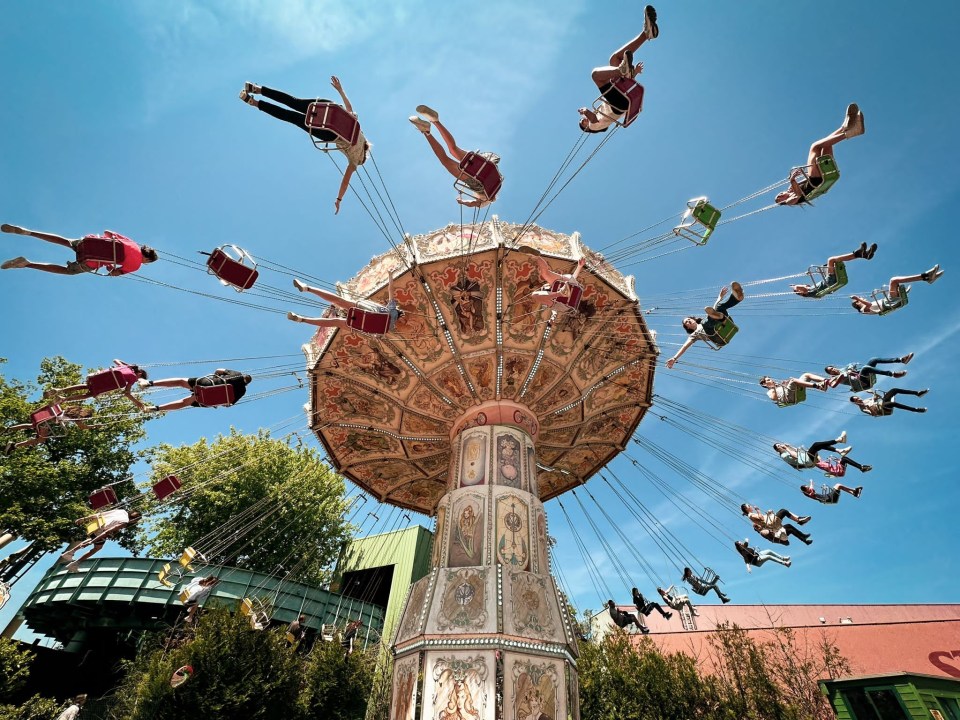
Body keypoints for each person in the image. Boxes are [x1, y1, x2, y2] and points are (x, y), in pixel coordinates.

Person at [239, 77, 370, 214]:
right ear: (362, 160)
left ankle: (256, 89)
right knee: (291, 117)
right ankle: (254, 103)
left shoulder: (360, 132)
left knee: (293, 102)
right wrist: (339, 199)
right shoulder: (354, 162)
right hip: (329, 133)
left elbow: (349, 109)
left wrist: (340, 90)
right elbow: (345, 182)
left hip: (330, 109)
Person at [578, 6, 658, 133]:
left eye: (582, 119)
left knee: (614, 59)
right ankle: (622, 70)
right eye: (583, 122)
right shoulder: (594, 126)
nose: (583, 120)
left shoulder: (601, 109)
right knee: (596, 76)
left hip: (620, 98)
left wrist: (634, 73)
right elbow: (593, 119)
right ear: (586, 128)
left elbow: (625, 87)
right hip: (618, 106)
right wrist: (585, 111)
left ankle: (647, 33)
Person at [409, 106, 500, 207]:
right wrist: (463, 202)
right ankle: (426, 132)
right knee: (444, 160)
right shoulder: (487, 198)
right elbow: (473, 204)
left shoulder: (497, 181)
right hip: (477, 181)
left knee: (453, 149)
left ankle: (435, 121)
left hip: (483, 163)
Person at [775, 103, 865, 206]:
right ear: (782, 201)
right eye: (778, 198)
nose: (779, 195)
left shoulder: (792, 189)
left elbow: (807, 178)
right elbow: (798, 196)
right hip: (817, 180)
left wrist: (797, 181)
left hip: (817, 177)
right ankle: (850, 131)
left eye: (778, 194)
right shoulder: (789, 201)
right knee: (815, 147)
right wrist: (792, 181)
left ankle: (845, 127)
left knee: (826, 145)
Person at [1, 223, 157, 275]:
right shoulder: (136, 265)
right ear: (147, 258)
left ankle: (29, 232)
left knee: (66, 241)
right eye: (148, 262)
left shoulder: (132, 243)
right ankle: (26, 264)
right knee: (68, 271)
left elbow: (108, 232)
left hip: (90, 242)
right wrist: (111, 266)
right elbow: (114, 273)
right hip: (90, 262)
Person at [666, 282, 745, 368]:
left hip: (723, 324)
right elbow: (684, 346)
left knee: (718, 306)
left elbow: (714, 308)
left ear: (693, 319)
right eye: (686, 323)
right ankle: (720, 317)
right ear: (687, 327)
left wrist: (720, 297)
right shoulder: (694, 335)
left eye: (689, 320)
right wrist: (674, 358)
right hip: (718, 337)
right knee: (705, 322)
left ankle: (737, 298)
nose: (688, 322)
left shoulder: (705, 319)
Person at [288, 272, 400, 332]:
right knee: (335, 321)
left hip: (367, 311)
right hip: (361, 327)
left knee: (339, 301)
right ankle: (301, 319)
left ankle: (307, 288)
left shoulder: (392, 311)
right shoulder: (389, 327)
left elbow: (391, 290)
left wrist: (390, 276)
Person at [58, 508, 143, 571]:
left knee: (94, 541)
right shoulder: (124, 522)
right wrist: (92, 542)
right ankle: (75, 563)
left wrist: (84, 519)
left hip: (96, 525)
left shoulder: (121, 511)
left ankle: (70, 553)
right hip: (101, 531)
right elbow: (107, 532)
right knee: (97, 548)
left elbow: (100, 514)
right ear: (134, 520)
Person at [45, 359, 150, 409]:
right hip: (102, 386)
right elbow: (127, 393)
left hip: (96, 377)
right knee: (88, 395)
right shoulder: (131, 379)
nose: (137, 381)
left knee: (85, 386)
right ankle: (63, 399)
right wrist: (137, 403)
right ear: (139, 373)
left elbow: (115, 360)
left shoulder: (125, 367)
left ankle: (59, 390)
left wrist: (129, 365)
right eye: (139, 378)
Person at [139, 368, 252, 412]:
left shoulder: (237, 374)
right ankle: (155, 408)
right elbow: (228, 404)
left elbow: (219, 369)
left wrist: (216, 375)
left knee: (181, 381)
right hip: (208, 399)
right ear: (246, 384)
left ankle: (148, 383)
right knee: (184, 403)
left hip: (208, 384)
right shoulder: (242, 391)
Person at [790, 242, 877, 297]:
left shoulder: (813, 289)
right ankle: (859, 254)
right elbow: (803, 290)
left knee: (832, 262)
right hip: (830, 282)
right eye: (803, 286)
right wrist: (795, 287)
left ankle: (863, 255)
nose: (805, 285)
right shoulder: (810, 292)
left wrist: (814, 271)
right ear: (801, 292)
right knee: (831, 260)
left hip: (830, 281)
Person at [850, 265, 944, 315]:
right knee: (894, 280)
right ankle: (926, 277)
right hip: (888, 303)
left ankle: (927, 278)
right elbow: (869, 305)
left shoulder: (867, 308)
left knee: (893, 283)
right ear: (858, 303)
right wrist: (857, 298)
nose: (863, 298)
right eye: (860, 299)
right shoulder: (863, 309)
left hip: (888, 301)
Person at [3, 404, 92, 455]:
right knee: (41, 440)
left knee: (31, 425)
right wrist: (95, 426)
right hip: (45, 423)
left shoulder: (70, 410)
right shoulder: (77, 418)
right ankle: (14, 445)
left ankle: (8, 429)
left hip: (43, 419)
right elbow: (82, 427)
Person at [773, 430, 872, 476]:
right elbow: (795, 455)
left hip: (808, 459)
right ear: (778, 450)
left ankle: (841, 451)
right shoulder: (784, 455)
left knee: (818, 446)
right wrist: (786, 448)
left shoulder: (786, 451)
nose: (780, 446)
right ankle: (839, 441)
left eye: (779, 444)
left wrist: (789, 446)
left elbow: (796, 452)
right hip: (807, 460)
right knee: (816, 445)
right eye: (778, 446)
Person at [825, 352, 914, 391]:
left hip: (863, 375)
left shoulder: (842, 369)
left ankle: (901, 360)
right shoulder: (835, 378)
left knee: (873, 360)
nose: (833, 370)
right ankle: (893, 374)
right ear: (831, 374)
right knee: (865, 368)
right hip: (861, 382)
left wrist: (850, 368)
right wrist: (845, 374)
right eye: (831, 371)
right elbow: (840, 380)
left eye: (832, 368)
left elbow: (851, 364)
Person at [740, 504, 812, 546]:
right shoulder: (751, 515)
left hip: (772, 524)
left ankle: (804, 539)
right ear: (747, 508)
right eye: (749, 505)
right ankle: (799, 520)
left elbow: (762, 520)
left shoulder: (750, 515)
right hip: (772, 524)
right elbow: (761, 518)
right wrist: (757, 509)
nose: (750, 506)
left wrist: (769, 514)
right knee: (783, 511)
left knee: (789, 527)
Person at [850, 387, 928, 416]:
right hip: (882, 410)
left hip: (882, 403)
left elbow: (876, 398)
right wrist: (868, 408)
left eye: (858, 398)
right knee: (892, 403)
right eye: (857, 400)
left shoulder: (866, 400)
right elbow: (874, 414)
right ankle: (915, 410)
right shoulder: (863, 409)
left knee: (894, 390)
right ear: (856, 403)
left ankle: (917, 393)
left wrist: (872, 393)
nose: (859, 399)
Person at [759, 373, 828, 405]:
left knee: (806, 375)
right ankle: (819, 386)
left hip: (795, 392)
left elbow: (790, 387)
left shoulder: (779, 386)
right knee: (793, 380)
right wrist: (773, 388)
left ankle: (826, 381)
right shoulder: (770, 391)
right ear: (764, 384)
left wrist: (786, 383)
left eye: (770, 379)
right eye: (768, 380)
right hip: (790, 398)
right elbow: (773, 398)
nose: (771, 380)